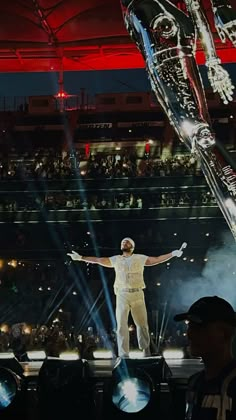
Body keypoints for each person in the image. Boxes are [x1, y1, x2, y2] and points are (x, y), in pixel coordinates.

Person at [67, 237, 186, 358]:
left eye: (127, 241)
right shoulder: (116, 259)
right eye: (122, 241)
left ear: (132, 246)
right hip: (122, 294)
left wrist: (173, 253)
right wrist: (81, 257)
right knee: (121, 325)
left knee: (142, 324)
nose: (124, 242)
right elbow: (98, 260)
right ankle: (123, 354)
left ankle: (146, 351)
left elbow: (157, 259)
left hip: (137, 294)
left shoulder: (139, 258)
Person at [174, 295, 236, 420]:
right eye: (189, 326)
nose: (190, 334)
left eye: (199, 327)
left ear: (225, 334)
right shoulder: (194, 383)